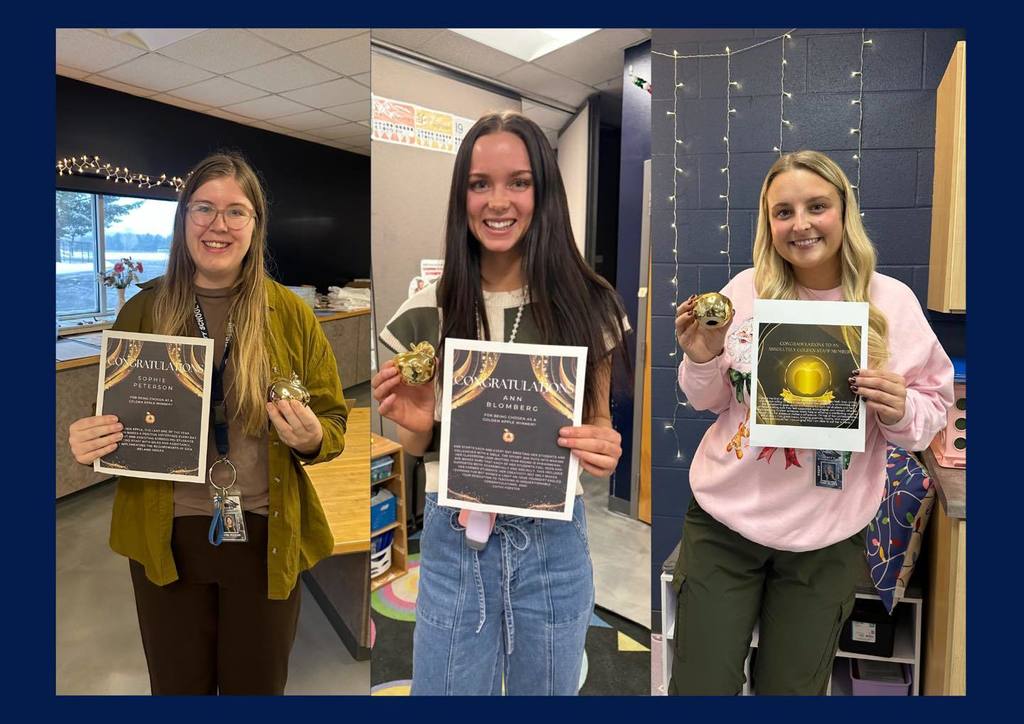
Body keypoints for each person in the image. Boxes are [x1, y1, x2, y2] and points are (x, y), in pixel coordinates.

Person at [669, 150, 953, 695]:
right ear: (767, 222)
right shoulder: (745, 292)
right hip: (726, 523)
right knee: (701, 687)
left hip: (825, 537)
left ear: (844, 211)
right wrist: (702, 357)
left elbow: (929, 416)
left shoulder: (891, 302)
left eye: (816, 206)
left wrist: (899, 408)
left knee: (791, 691)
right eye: (783, 212)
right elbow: (707, 402)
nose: (800, 224)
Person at [67, 152, 348, 695]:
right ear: (183, 220)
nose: (218, 225)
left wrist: (314, 438)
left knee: (257, 687)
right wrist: (92, 441)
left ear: (255, 225)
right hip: (166, 533)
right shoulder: (143, 311)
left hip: (265, 531)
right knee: (177, 687)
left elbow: (333, 416)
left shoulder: (288, 313)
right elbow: (117, 418)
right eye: (204, 208)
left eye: (236, 212)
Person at [372, 111, 629, 695]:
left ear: (544, 192)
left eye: (518, 182)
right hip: (455, 536)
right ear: (462, 194)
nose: (497, 201)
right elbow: (415, 445)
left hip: (554, 541)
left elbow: (599, 427)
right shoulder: (426, 308)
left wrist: (604, 449)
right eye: (479, 183)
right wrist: (413, 427)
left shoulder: (590, 306)